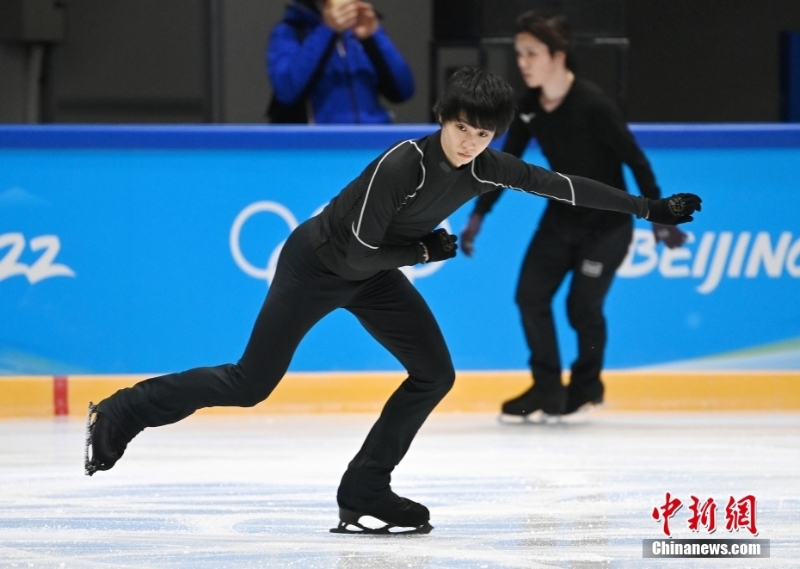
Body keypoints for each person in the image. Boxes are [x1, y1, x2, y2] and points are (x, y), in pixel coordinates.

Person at [84, 67, 701, 534]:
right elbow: (354, 252)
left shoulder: (487, 166)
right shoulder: (402, 164)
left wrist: (649, 208)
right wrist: (423, 254)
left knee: (435, 373)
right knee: (250, 382)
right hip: (317, 264)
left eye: (482, 134)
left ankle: (365, 489)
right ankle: (123, 411)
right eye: (461, 128)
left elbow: (561, 185)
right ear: (443, 117)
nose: (469, 143)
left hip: (374, 271)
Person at [460, 12, 689, 419]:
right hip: (560, 220)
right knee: (529, 296)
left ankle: (585, 390)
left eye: (532, 53)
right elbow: (506, 163)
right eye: (519, 54)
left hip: (606, 226)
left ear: (558, 55)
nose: (523, 63)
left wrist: (659, 215)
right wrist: (480, 213)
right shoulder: (528, 107)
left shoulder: (594, 105)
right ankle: (547, 391)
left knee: (581, 307)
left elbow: (634, 160)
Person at [266, 0, 415, 124]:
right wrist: (328, 30)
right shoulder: (290, 31)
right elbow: (287, 90)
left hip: (374, 141)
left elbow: (404, 90)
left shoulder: (362, 27)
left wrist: (374, 36)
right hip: (322, 146)